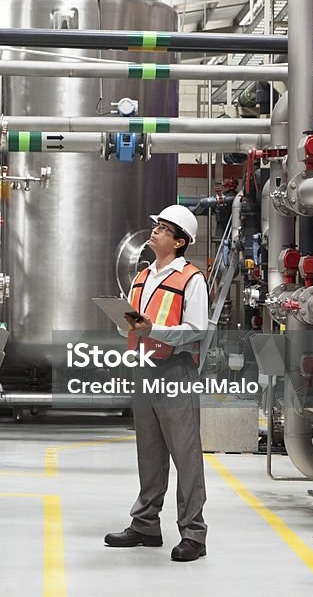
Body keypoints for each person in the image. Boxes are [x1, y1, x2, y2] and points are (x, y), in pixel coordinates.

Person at [104, 204, 209, 562]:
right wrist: (123, 322)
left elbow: (197, 330)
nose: (155, 231)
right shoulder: (142, 276)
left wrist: (153, 330)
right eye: (157, 226)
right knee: (149, 450)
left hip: (175, 370)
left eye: (164, 229)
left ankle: (194, 533)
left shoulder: (191, 279)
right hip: (143, 367)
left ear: (180, 241)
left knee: (186, 454)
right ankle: (146, 523)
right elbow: (132, 325)